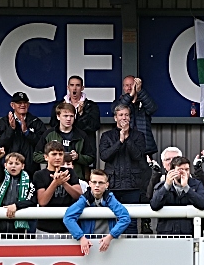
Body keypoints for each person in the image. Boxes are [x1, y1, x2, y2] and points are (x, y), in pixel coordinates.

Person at [99, 104, 146, 234]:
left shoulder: (138, 136)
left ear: (130, 118)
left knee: (131, 222)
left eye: (126, 115)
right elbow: (104, 156)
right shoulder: (107, 136)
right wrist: (119, 142)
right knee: (112, 220)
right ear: (115, 118)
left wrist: (127, 138)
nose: (124, 118)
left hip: (132, 186)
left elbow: (138, 156)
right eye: (121, 115)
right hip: (113, 185)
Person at [63, 169, 131, 254]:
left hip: (109, 244)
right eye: (94, 182)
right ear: (89, 183)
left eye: (101, 183)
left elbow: (125, 218)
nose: (97, 185)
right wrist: (81, 237)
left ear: (107, 185)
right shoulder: (84, 198)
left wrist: (110, 237)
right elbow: (68, 217)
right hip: (88, 244)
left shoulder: (110, 198)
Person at [33, 102, 95, 180]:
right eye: (65, 116)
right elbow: (36, 156)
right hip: (53, 177)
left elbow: (91, 158)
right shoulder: (49, 134)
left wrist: (78, 157)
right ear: (58, 116)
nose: (69, 119)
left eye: (71, 116)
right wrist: (53, 158)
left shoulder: (82, 135)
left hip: (75, 178)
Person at [0, 149, 35, 235]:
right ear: (5, 165)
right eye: (10, 163)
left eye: (17, 164)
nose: (13, 166)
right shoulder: (0, 178)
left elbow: (32, 200)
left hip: (18, 229)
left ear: (23, 166)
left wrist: (16, 206)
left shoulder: (29, 182)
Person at [33, 141, 82, 235]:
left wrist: (64, 183)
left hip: (68, 227)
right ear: (46, 157)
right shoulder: (39, 175)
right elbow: (42, 201)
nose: (58, 157)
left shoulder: (70, 172)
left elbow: (78, 196)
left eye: (60, 154)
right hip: (45, 228)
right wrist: (55, 183)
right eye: (54, 154)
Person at [150, 156, 204, 235]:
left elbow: (202, 204)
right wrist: (167, 186)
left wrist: (186, 188)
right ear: (172, 171)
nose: (185, 173)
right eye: (180, 170)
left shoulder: (197, 184)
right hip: (167, 234)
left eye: (187, 169)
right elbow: (154, 205)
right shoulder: (161, 186)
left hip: (191, 233)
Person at [0, 92, 46, 175]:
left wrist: (26, 132)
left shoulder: (36, 122)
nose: (22, 105)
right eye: (19, 103)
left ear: (28, 105)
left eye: (25, 102)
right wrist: (11, 129)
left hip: (31, 169)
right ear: (12, 105)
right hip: (9, 169)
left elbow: (42, 143)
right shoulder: (3, 123)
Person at [49, 75, 101, 154]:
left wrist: (81, 114)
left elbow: (94, 126)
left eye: (78, 85)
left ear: (82, 88)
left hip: (84, 149)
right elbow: (53, 124)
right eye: (72, 85)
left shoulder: (91, 106)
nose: (74, 88)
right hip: (63, 147)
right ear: (68, 87)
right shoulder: (59, 105)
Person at [111, 76, 158, 157]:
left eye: (131, 85)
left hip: (144, 146)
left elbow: (152, 109)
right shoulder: (118, 102)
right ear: (123, 87)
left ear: (137, 85)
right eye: (126, 85)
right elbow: (117, 110)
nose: (129, 88)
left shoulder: (144, 101)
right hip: (125, 144)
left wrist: (140, 91)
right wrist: (130, 95)